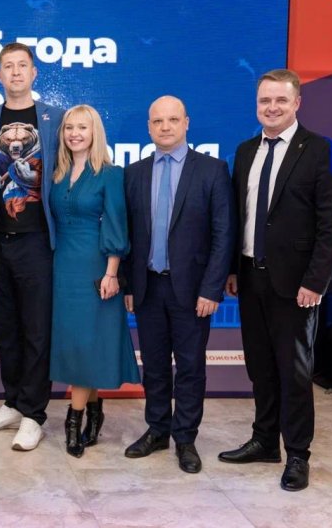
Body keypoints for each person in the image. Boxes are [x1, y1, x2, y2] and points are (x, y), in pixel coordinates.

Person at [219, 70, 332, 491]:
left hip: (298, 286)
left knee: (294, 373)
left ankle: (297, 455)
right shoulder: (245, 151)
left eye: (280, 100)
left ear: (297, 103)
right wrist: (233, 269)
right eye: (264, 101)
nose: (271, 107)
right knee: (261, 368)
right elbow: (240, 216)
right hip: (251, 278)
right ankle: (264, 441)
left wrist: (316, 281)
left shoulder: (320, 150)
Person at [123, 96, 234, 473]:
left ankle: (185, 438)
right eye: (158, 121)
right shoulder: (134, 173)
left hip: (192, 291)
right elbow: (130, 235)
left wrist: (211, 288)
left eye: (173, 120)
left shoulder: (212, 170)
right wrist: (129, 285)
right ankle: (158, 430)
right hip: (148, 287)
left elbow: (223, 234)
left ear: (186, 123)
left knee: (189, 367)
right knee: (154, 366)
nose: (165, 127)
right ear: (149, 127)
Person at [0, 42, 65, 451]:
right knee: (5, 329)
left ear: (34, 72)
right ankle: (12, 402)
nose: (15, 72)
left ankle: (33, 413)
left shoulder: (56, 119)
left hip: (38, 240)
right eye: (7, 66)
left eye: (22, 65)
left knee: (36, 330)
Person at [49, 104, 140, 458]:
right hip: (62, 267)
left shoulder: (110, 174)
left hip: (95, 268)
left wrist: (112, 272)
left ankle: (73, 421)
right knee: (76, 344)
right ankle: (95, 411)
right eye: (69, 127)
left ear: (94, 132)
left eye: (82, 128)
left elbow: (116, 223)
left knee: (88, 343)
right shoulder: (57, 172)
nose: (74, 134)